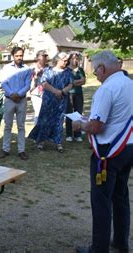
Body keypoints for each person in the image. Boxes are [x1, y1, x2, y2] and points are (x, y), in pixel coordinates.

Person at [74, 50, 133, 253]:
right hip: (128, 147)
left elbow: (96, 127)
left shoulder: (107, 89)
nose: (95, 75)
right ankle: (121, 241)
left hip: (109, 152)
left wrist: (79, 126)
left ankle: (98, 248)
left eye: (95, 70)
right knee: (121, 196)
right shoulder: (129, 84)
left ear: (102, 68)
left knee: (101, 201)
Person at [29, 52, 73, 153]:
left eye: (67, 61)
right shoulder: (48, 71)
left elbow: (71, 84)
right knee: (44, 120)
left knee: (59, 121)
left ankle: (58, 143)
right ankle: (41, 141)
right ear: (58, 60)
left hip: (61, 100)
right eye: (64, 60)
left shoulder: (68, 72)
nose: (66, 62)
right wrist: (55, 91)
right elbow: (44, 83)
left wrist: (61, 91)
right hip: (48, 100)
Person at [0, 47, 32, 160]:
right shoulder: (6, 68)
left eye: (21, 55)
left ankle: (21, 150)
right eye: (17, 55)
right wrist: (11, 94)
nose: (19, 58)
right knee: (7, 126)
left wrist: (18, 94)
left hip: (21, 100)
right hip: (9, 99)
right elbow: (3, 83)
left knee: (21, 126)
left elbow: (28, 85)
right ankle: (5, 149)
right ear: (13, 56)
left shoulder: (27, 69)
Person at [65, 51, 86, 142]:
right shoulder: (66, 70)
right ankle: (69, 134)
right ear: (69, 59)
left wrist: (73, 82)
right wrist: (77, 81)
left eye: (76, 58)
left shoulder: (80, 70)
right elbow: (68, 82)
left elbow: (84, 81)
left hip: (78, 93)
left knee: (78, 113)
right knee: (69, 113)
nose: (75, 60)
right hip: (68, 93)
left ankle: (78, 134)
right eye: (73, 58)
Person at [29, 50, 49, 125]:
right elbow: (29, 81)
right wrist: (35, 76)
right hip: (36, 92)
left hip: (47, 92)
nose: (45, 58)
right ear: (38, 57)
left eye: (46, 56)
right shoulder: (32, 68)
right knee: (38, 112)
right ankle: (37, 131)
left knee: (46, 112)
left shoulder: (48, 68)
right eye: (43, 56)